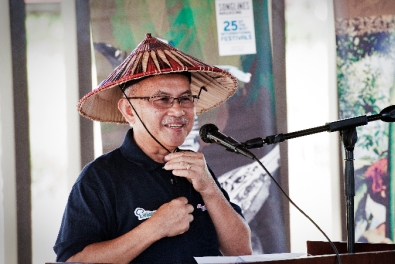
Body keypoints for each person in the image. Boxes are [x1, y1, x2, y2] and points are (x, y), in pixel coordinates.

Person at [54, 33, 252, 263]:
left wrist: (209, 188)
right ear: (129, 110)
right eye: (162, 99)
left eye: (186, 99)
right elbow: (72, 261)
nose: (178, 111)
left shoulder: (197, 169)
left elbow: (241, 251)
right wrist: (154, 228)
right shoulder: (100, 178)